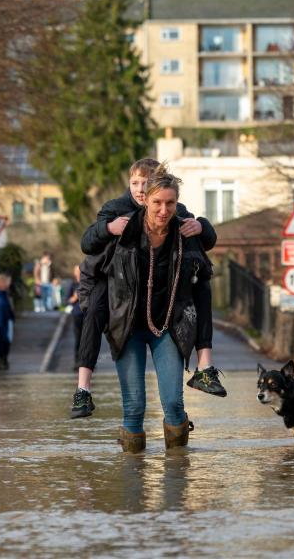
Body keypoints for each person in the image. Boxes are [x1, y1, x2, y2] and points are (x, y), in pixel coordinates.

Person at [69, 158, 223, 419]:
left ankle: (205, 368)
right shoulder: (115, 209)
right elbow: (87, 242)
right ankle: (83, 388)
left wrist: (202, 225)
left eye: (146, 183)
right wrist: (108, 228)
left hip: (163, 321)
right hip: (115, 294)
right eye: (135, 183)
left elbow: (205, 239)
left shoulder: (174, 212)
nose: (140, 189)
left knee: (203, 284)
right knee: (94, 308)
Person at [103, 170, 216, 452]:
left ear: (177, 203)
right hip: (128, 329)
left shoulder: (186, 232)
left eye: (170, 203)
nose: (164, 210)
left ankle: (177, 476)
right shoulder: (125, 231)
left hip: (167, 328)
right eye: (157, 203)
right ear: (146, 201)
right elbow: (91, 255)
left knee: (174, 404)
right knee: (134, 407)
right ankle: (133, 483)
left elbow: (204, 285)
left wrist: (202, 226)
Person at [67, 265, 84, 360]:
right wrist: (74, 298)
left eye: (80, 270)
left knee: (87, 339)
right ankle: (77, 360)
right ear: (74, 273)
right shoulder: (73, 285)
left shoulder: (87, 283)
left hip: (87, 315)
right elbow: (67, 300)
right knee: (78, 338)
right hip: (77, 314)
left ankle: (87, 361)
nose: (79, 272)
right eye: (76, 271)